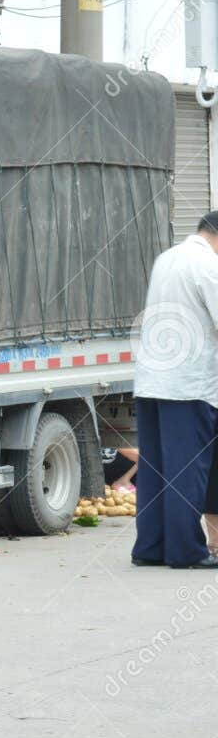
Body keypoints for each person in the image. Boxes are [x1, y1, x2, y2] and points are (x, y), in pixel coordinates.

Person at [133, 212, 218, 569]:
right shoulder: (207, 266)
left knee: (155, 469)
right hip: (189, 385)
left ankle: (150, 548)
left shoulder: (166, 258)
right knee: (186, 470)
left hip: (152, 382)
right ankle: (187, 552)